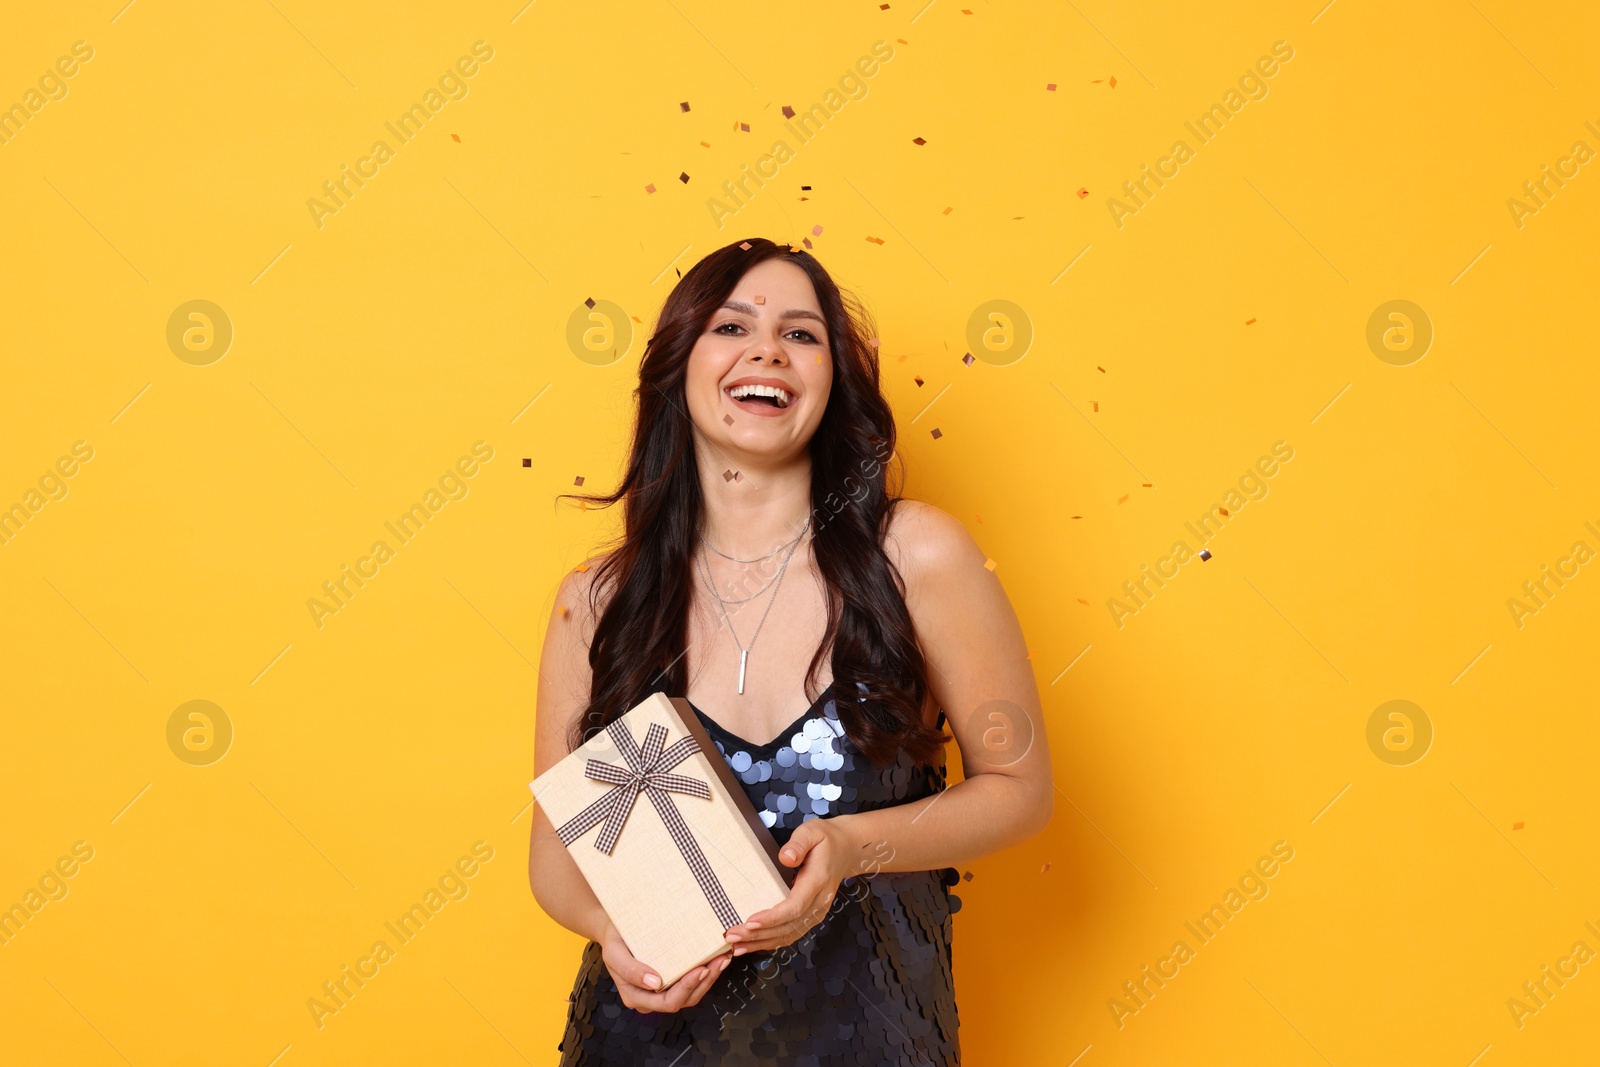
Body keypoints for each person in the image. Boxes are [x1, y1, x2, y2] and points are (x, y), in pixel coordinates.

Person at [529, 236, 1054, 1065]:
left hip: (872, 1038)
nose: (767, 349)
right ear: (679, 368)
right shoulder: (595, 600)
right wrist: (608, 930)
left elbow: (1020, 789)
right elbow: (555, 861)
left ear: (835, 379)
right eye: (731, 327)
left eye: (802, 335)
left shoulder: (916, 558)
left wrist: (853, 847)